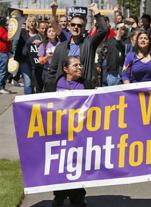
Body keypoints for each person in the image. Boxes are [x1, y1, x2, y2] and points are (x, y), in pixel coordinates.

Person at [45, 3, 109, 92]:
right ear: (69, 26)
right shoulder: (61, 46)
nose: (76, 27)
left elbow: (104, 29)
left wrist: (96, 11)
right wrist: (48, 92)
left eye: (79, 25)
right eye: (73, 24)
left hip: (84, 89)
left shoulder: (89, 43)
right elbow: (52, 72)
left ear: (83, 28)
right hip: (64, 89)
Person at [52, 56, 89, 207]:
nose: (79, 67)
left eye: (80, 65)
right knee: (60, 164)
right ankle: (59, 196)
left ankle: (77, 196)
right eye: (75, 65)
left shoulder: (86, 85)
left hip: (78, 133)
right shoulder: (54, 84)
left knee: (77, 163)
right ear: (66, 69)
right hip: (59, 132)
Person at [0, 16, 12, 94]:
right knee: (2, 71)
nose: (8, 23)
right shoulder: (1, 29)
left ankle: (2, 86)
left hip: (5, 52)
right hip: (2, 53)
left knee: (3, 70)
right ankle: (1, 87)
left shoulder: (4, 29)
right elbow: (7, 38)